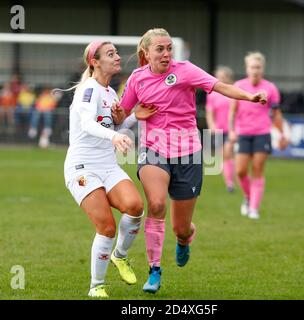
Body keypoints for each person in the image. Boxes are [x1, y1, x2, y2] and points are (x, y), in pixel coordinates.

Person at [119, 28, 267, 294]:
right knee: (155, 204)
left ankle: (185, 239)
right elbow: (121, 112)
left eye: (168, 48)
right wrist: (125, 113)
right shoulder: (137, 79)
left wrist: (250, 97)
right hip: (153, 150)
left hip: (188, 153)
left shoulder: (185, 70)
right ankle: (154, 270)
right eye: (160, 49)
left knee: (181, 227)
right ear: (146, 53)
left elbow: (219, 86)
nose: (166, 54)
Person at [63, 40, 156, 298]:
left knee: (136, 207)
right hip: (82, 167)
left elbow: (114, 126)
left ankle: (120, 255)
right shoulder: (88, 90)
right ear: (95, 62)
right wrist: (114, 137)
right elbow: (88, 124)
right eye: (111, 54)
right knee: (106, 227)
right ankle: (97, 286)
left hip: (107, 164)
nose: (117, 57)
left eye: (116, 52)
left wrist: (134, 116)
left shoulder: (111, 93)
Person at [228, 52, 288, 220]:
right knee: (240, 171)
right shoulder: (239, 85)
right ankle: (248, 197)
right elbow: (232, 112)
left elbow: (276, 114)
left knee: (257, 170)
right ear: (247, 68)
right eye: (253, 67)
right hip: (244, 134)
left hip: (262, 133)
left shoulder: (270, 88)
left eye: (258, 67)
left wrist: (282, 134)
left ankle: (254, 208)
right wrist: (232, 130)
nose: (255, 70)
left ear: (263, 69)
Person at [205, 66, 236, 192]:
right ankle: (229, 182)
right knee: (224, 155)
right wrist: (211, 125)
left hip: (233, 129)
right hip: (219, 129)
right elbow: (209, 112)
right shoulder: (212, 94)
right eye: (218, 76)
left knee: (229, 154)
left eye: (222, 76)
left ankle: (233, 181)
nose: (219, 79)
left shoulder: (234, 91)